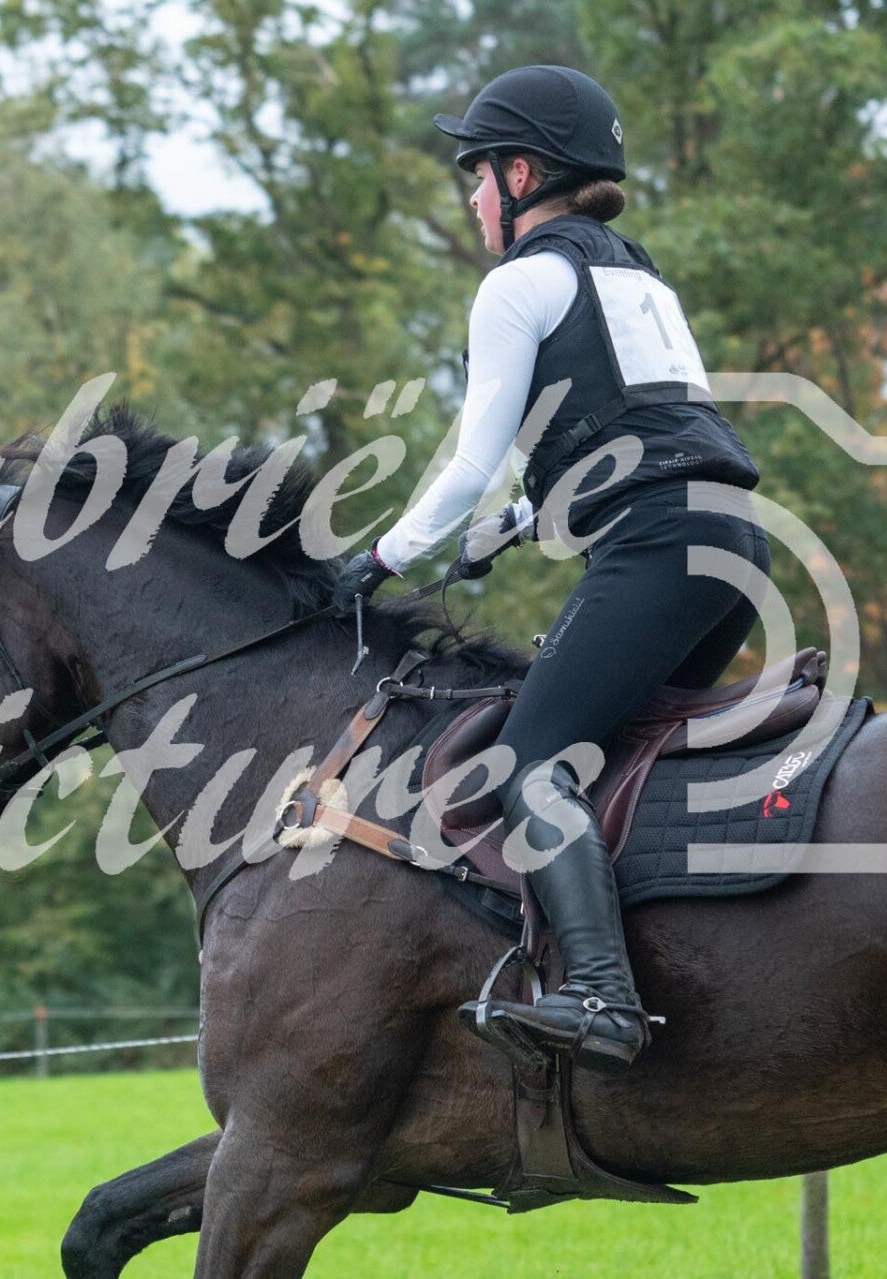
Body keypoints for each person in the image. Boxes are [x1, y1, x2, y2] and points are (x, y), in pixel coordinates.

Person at [332, 65, 771, 1074]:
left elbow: (467, 461)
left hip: (655, 548)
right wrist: (522, 522)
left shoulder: (517, 284)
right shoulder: (639, 279)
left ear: (520, 174)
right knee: (616, 757)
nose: (471, 198)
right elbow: (646, 436)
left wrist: (379, 559)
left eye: (476, 173)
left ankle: (603, 997)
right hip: (731, 544)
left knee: (530, 762)